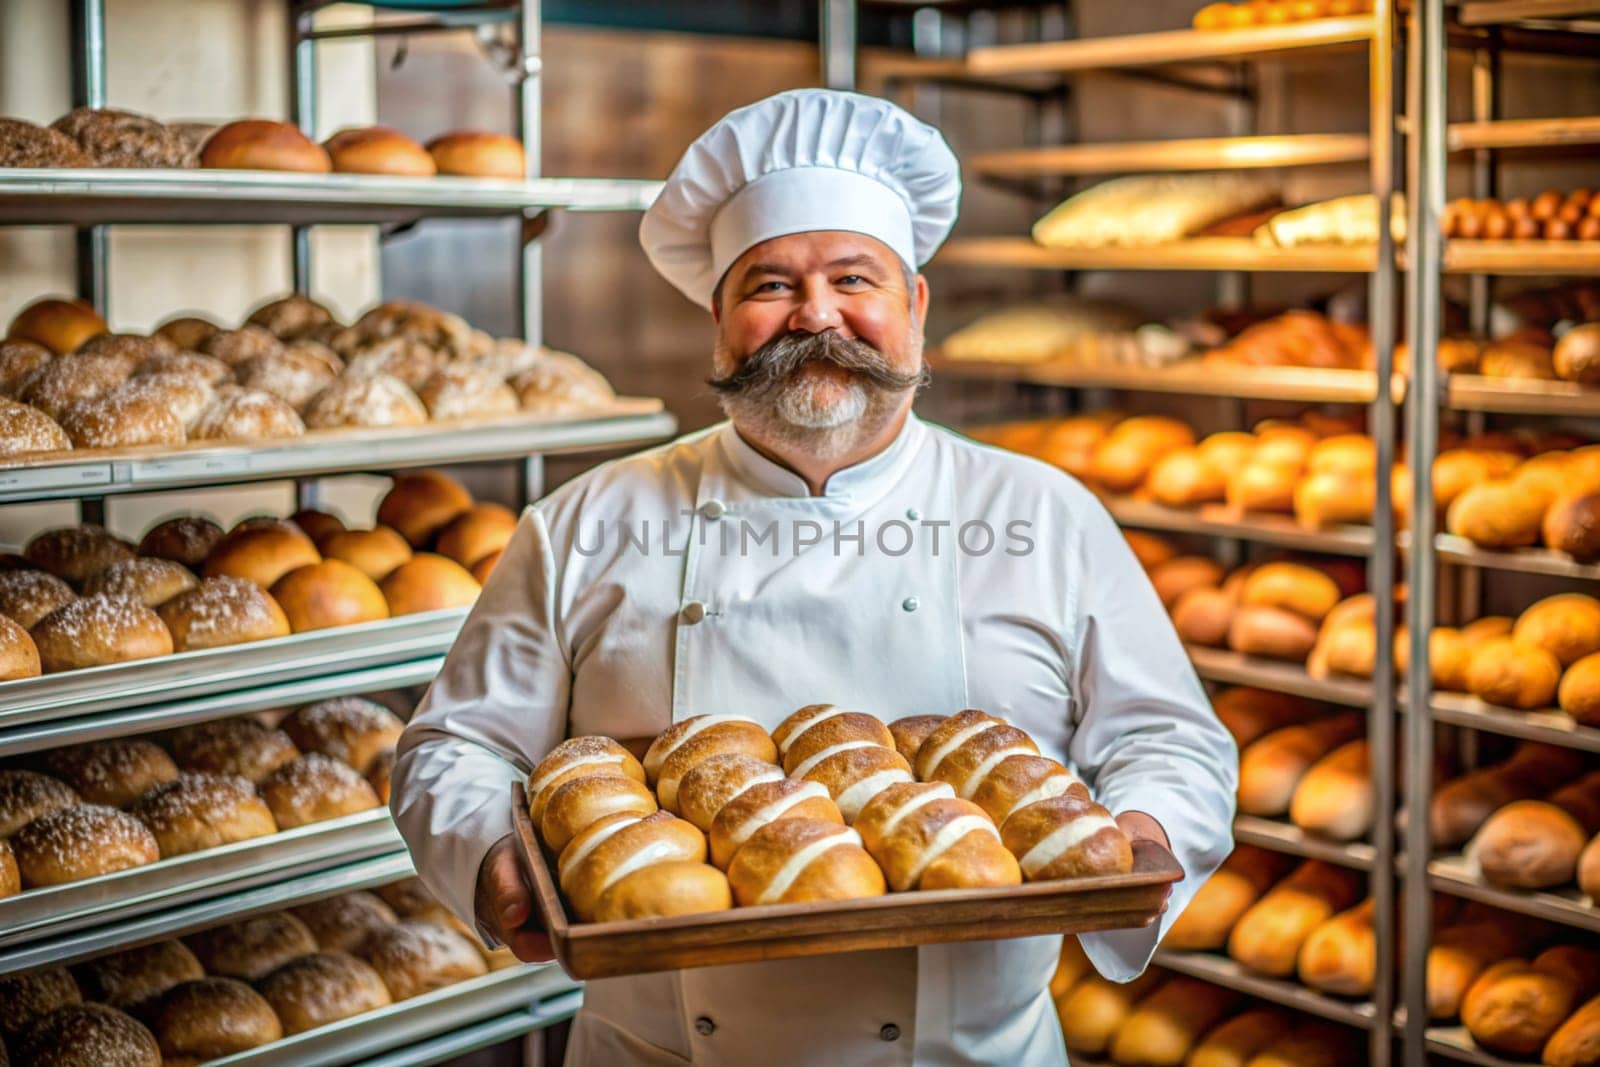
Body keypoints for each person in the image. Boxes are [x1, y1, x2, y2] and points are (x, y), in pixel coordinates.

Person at [391, 88, 1237, 1066]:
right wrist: (498, 860)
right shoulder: (588, 521)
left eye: (853, 277)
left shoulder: (1042, 512)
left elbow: (1167, 737)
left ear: (914, 306)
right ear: (717, 317)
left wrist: (1134, 837)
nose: (817, 316)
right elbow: (451, 745)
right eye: (770, 286)